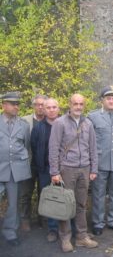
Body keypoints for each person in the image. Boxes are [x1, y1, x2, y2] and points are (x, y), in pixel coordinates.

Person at [49, 93, 98, 253]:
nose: (78, 107)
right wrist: (54, 171)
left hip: (84, 169)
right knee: (65, 205)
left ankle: (82, 237)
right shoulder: (59, 123)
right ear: (69, 105)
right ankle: (65, 238)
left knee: (81, 204)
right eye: (75, 103)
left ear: (84, 106)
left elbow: (93, 148)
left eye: (81, 104)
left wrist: (94, 168)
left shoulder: (88, 124)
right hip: (67, 169)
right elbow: (53, 148)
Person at [88, 86, 113, 235]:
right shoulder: (92, 117)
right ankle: (98, 223)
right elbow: (89, 141)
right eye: (108, 98)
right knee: (98, 194)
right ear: (102, 100)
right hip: (100, 162)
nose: (111, 101)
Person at [0, 92, 31, 246]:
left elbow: (26, 146)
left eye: (17, 104)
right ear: (3, 105)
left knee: (13, 203)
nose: (16, 107)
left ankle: (10, 232)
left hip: (15, 170)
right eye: (12, 104)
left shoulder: (23, 125)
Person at [31, 98, 61, 243]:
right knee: (50, 200)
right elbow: (34, 147)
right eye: (48, 107)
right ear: (44, 109)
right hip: (45, 170)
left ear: (58, 109)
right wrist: (40, 168)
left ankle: (68, 228)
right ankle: (52, 229)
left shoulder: (65, 124)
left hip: (64, 169)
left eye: (54, 107)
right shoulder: (38, 127)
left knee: (66, 198)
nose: (51, 110)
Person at [19, 94, 47, 232]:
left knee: (44, 193)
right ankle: (25, 219)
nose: (40, 107)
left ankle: (43, 218)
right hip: (28, 164)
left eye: (43, 104)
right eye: (37, 104)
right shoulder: (24, 121)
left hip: (44, 165)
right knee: (26, 193)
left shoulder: (52, 121)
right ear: (33, 106)